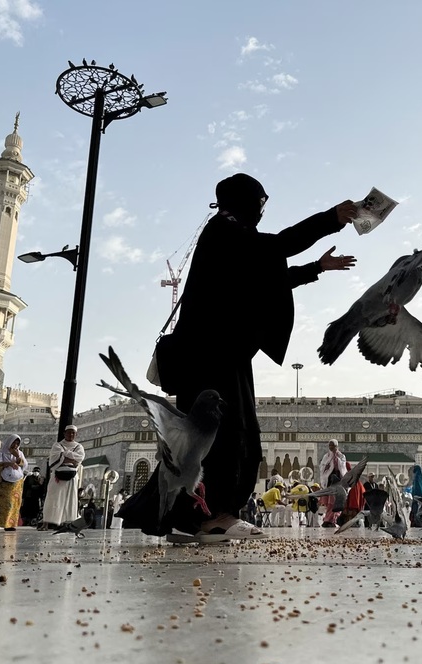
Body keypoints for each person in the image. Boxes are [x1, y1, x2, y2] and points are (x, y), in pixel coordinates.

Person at [146, 173, 357, 541]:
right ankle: (214, 517)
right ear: (245, 201)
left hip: (216, 353)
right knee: (228, 435)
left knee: (212, 436)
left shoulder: (230, 236)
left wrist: (317, 269)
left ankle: (192, 517)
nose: (261, 211)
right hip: (213, 356)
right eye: (258, 203)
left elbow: (268, 277)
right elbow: (278, 246)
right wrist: (331, 219)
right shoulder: (224, 231)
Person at [42, 424, 84, 530]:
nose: (71, 434)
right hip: (58, 476)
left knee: (69, 500)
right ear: (64, 433)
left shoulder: (79, 447)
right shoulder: (57, 445)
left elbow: (78, 460)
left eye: (73, 433)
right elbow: (54, 459)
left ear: (76, 434)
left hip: (72, 477)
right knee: (53, 498)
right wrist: (70, 459)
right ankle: (46, 523)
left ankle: (66, 523)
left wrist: (64, 455)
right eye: (69, 432)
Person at [0, 435, 27, 531]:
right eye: (14, 442)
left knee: (12, 503)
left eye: (17, 443)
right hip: (2, 483)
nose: (15, 445)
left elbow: (24, 466)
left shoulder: (20, 453)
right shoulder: (0, 453)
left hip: (14, 484)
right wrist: (8, 464)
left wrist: (17, 457)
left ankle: (9, 524)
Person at [318, 439, 347, 528]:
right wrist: (327, 465)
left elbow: (343, 467)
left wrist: (337, 460)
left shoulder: (341, 456)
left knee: (335, 502)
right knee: (330, 502)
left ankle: (331, 520)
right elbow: (322, 467)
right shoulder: (326, 456)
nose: (331, 447)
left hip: (338, 480)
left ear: (336, 446)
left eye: (333, 446)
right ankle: (328, 520)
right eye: (330, 445)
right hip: (329, 481)